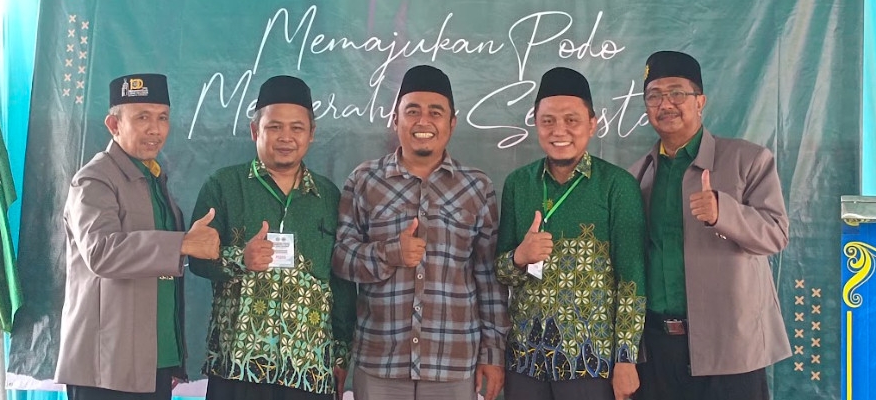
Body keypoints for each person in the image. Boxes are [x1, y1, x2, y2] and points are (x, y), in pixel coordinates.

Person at [332, 65, 509, 400]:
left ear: (452, 123)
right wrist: (389, 254)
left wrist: (493, 353)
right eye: (412, 111)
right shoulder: (364, 180)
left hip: (454, 363)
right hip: (380, 361)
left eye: (435, 112)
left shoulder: (477, 187)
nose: (423, 121)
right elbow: (341, 258)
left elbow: (488, 279)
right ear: (395, 120)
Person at [629, 51, 790, 400]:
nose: (665, 104)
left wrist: (724, 213)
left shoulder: (748, 160)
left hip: (731, 348)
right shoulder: (638, 174)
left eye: (676, 93)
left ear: (700, 101)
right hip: (657, 350)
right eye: (654, 96)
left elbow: (776, 234)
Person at [189, 75, 356, 400]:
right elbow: (196, 260)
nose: (286, 137)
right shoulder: (224, 186)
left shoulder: (329, 196)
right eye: (274, 127)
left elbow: (342, 283)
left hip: (309, 370)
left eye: (297, 128)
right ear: (255, 131)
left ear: (311, 134)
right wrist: (239, 259)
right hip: (238, 368)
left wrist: (340, 354)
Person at [56, 73, 221, 400]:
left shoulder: (153, 178)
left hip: (151, 364)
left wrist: (170, 358)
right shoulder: (95, 180)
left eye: (163, 118)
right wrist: (183, 243)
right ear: (113, 125)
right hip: (107, 369)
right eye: (142, 117)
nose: (155, 129)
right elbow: (101, 252)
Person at [494, 67, 647, 400]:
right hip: (525, 362)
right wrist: (520, 257)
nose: (559, 130)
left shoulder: (617, 186)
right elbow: (501, 272)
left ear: (592, 124)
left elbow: (632, 279)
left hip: (591, 364)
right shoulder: (518, 184)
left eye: (571, 120)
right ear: (536, 124)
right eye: (548, 121)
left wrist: (626, 357)